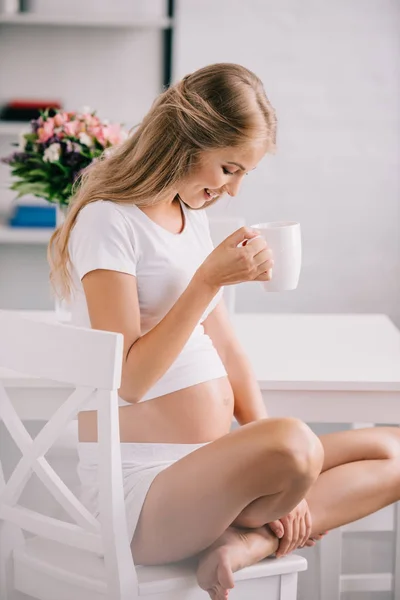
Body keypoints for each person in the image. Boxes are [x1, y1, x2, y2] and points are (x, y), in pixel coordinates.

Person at [48, 63, 400, 600]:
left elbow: (228, 348)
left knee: (391, 449)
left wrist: (286, 476)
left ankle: (249, 543)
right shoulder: (108, 221)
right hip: (143, 492)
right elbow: (128, 382)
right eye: (229, 168)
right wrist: (209, 279)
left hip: (213, 469)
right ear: (188, 141)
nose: (232, 190)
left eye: (243, 175)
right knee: (294, 442)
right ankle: (253, 522)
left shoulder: (191, 220)